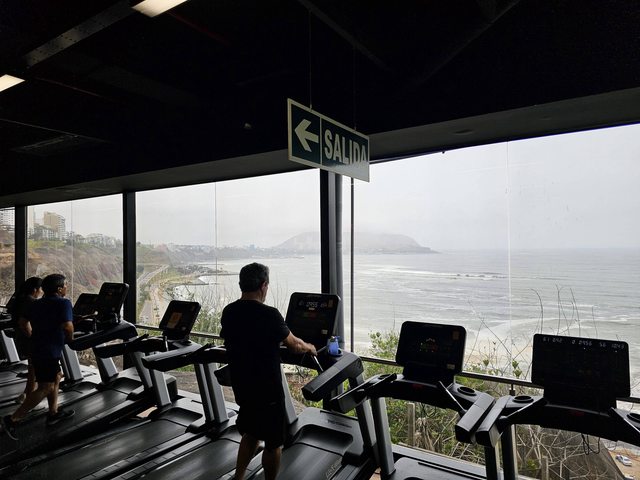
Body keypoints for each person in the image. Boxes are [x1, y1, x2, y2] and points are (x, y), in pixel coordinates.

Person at [220, 263, 317, 480]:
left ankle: (238, 477)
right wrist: (310, 347)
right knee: (273, 444)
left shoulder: (229, 311)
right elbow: (294, 345)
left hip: (243, 386)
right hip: (267, 390)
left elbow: (239, 336)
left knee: (251, 432)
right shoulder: (270, 315)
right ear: (263, 285)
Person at [1, 274, 75, 441]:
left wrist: (33, 336)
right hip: (49, 351)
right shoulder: (64, 303)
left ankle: (53, 413)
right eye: (65, 285)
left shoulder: (36, 303)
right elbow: (68, 326)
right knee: (46, 387)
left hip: (36, 348)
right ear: (59, 289)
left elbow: (22, 322)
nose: (66, 287)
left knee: (56, 376)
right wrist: (71, 339)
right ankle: (12, 420)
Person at [6, 276, 43, 404]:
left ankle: (27, 394)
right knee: (34, 370)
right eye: (41, 289)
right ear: (35, 289)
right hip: (29, 339)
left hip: (21, 338)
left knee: (33, 368)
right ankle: (28, 397)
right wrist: (34, 337)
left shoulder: (20, 300)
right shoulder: (32, 302)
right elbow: (25, 323)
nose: (42, 292)